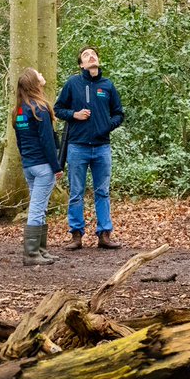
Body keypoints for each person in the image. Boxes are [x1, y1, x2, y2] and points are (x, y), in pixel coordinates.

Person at [54, 46, 125, 250]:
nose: (91, 56)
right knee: (76, 191)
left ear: (98, 61)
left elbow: (119, 113)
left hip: (102, 147)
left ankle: (104, 235)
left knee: (102, 192)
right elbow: (58, 109)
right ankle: (76, 235)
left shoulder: (107, 85)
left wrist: (106, 126)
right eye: (86, 55)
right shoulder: (72, 83)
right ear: (81, 64)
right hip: (77, 147)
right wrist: (74, 115)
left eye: (94, 54)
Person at [13, 68, 62, 266]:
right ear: (34, 82)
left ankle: (41, 250)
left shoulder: (19, 110)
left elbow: (19, 140)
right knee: (37, 208)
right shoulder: (40, 108)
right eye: (39, 74)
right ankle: (32, 254)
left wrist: (26, 158)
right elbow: (47, 141)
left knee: (39, 207)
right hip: (42, 166)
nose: (42, 75)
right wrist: (56, 166)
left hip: (29, 165)